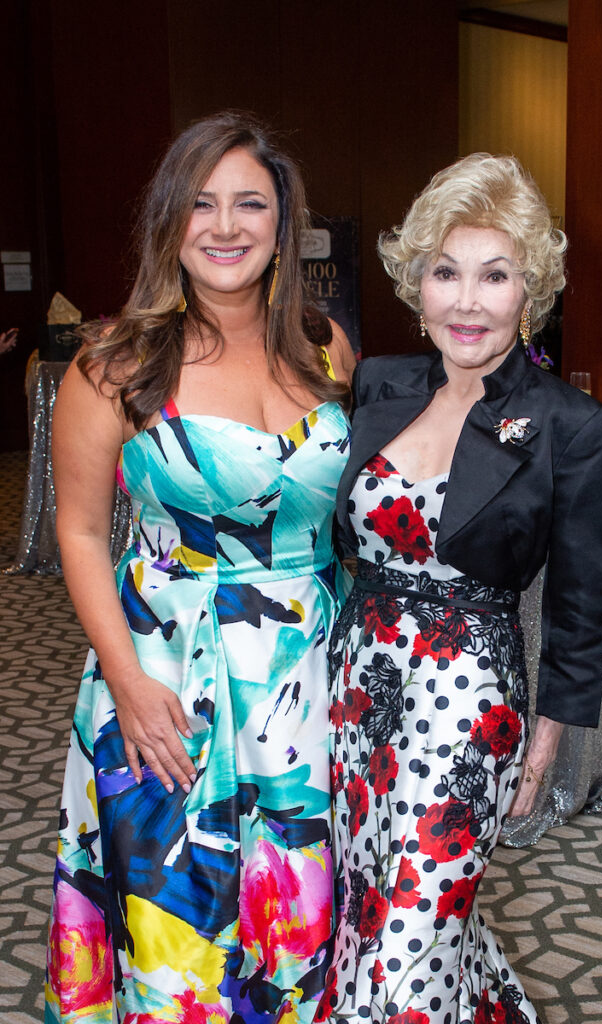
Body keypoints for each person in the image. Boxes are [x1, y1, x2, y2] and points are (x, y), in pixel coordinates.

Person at [45, 110, 355, 1024]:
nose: (225, 227)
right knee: (178, 933)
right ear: (170, 221)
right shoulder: (115, 362)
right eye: (202, 204)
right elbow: (79, 533)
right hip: (165, 680)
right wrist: (128, 682)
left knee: (301, 920)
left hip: (308, 679)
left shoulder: (328, 347)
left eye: (249, 204)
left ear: (282, 222)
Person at [320, 154, 602, 1024]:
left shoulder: (571, 424)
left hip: (467, 705)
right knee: (366, 907)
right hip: (353, 686)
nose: (466, 301)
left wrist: (551, 735)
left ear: (532, 290)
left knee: (415, 929)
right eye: (445, 272)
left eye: (495, 276)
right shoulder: (380, 385)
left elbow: (578, 599)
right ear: (418, 284)